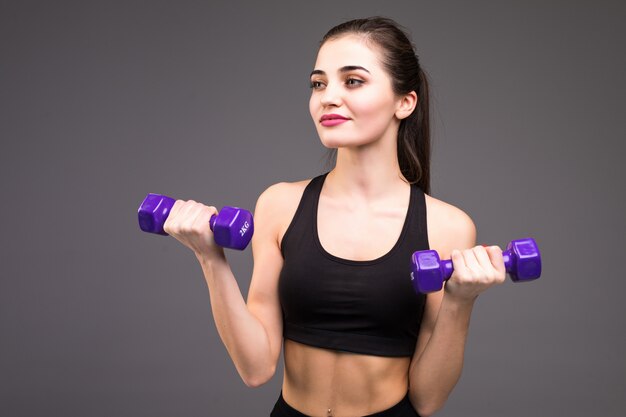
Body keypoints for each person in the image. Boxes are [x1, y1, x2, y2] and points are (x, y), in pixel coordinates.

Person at [163, 17, 506, 417]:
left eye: (353, 81)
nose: (327, 97)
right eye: (318, 83)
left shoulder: (447, 226)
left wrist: (460, 301)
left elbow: (428, 399)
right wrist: (209, 258)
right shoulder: (280, 205)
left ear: (404, 102)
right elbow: (256, 368)